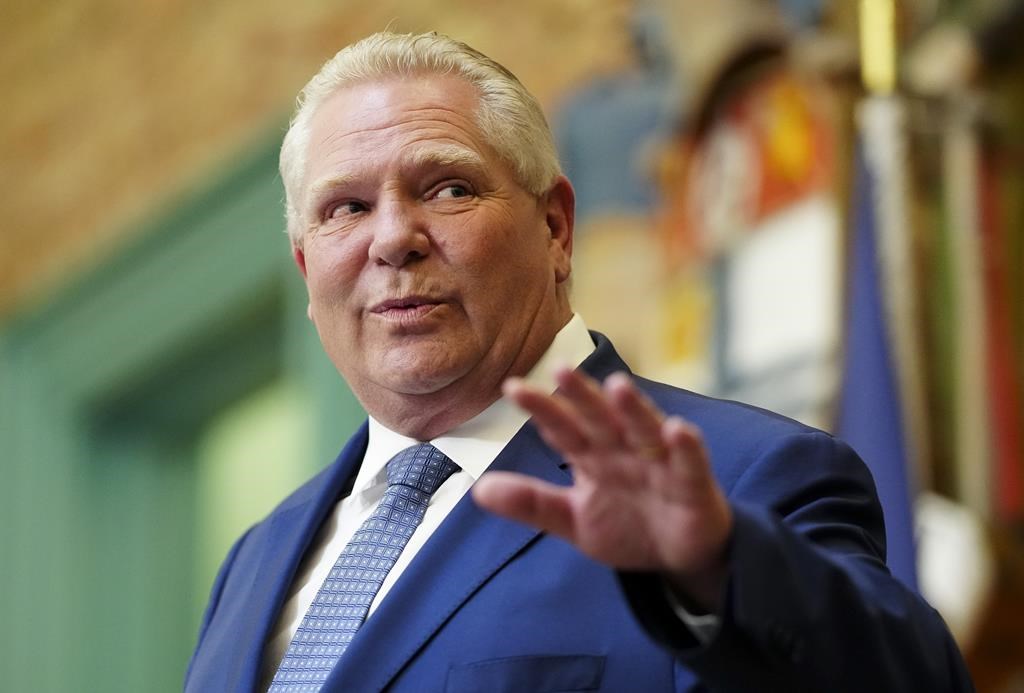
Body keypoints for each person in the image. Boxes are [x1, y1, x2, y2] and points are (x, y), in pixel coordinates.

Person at [185, 31, 973, 692]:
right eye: (346, 208)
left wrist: (718, 570)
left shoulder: (742, 479)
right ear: (305, 268)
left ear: (557, 229)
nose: (392, 237)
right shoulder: (254, 561)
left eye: (449, 188)